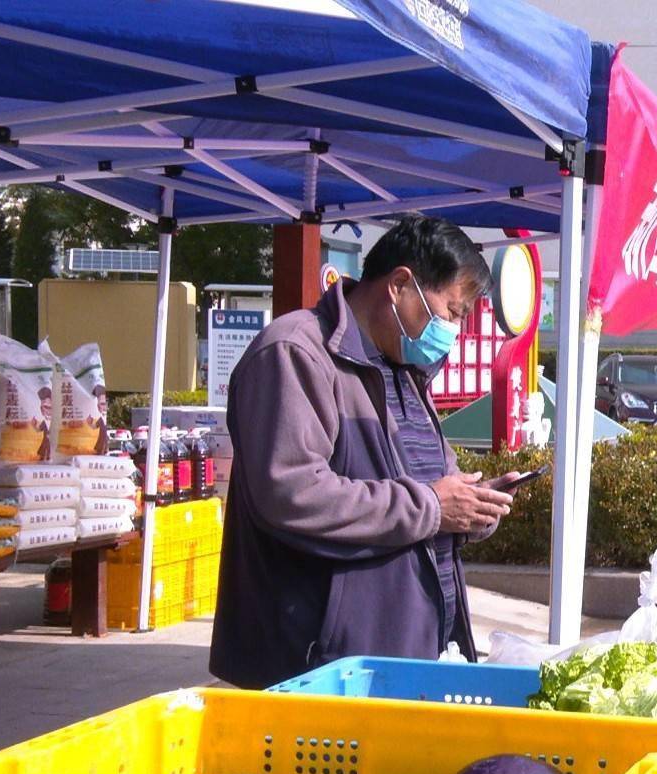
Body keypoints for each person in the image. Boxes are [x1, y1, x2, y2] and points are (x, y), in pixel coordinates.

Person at [210, 216, 519, 689]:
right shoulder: (295, 353)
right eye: (452, 312)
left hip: (404, 653)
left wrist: (471, 507)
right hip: (317, 664)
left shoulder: (404, 367)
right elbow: (293, 494)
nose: (454, 331)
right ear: (400, 285)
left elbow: (428, 484)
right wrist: (433, 507)